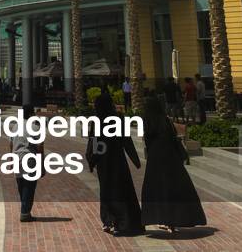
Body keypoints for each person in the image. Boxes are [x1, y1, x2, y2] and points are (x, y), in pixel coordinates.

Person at [140, 97, 206, 234]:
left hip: (155, 159)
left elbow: (147, 141)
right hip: (171, 158)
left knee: (158, 190)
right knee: (173, 189)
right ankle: (173, 220)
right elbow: (173, 136)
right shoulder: (165, 120)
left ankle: (162, 219)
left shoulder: (148, 121)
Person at [87, 91, 142, 237]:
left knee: (106, 190)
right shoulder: (118, 119)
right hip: (118, 160)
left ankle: (108, 220)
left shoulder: (97, 120)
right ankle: (121, 222)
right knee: (120, 190)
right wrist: (135, 160)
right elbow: (126, 140)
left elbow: (94, 141)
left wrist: (91, 160)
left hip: (103, 161)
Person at [12, 104, 43, 222]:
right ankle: (25, 212)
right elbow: (39, 147)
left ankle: (25, 209)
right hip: (29, 158)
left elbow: (11, 143)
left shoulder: (15, 126)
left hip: (16, 157)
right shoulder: (35, 127)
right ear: (31, 114)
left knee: (21, 185)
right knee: (29, 186)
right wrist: (41, 163)